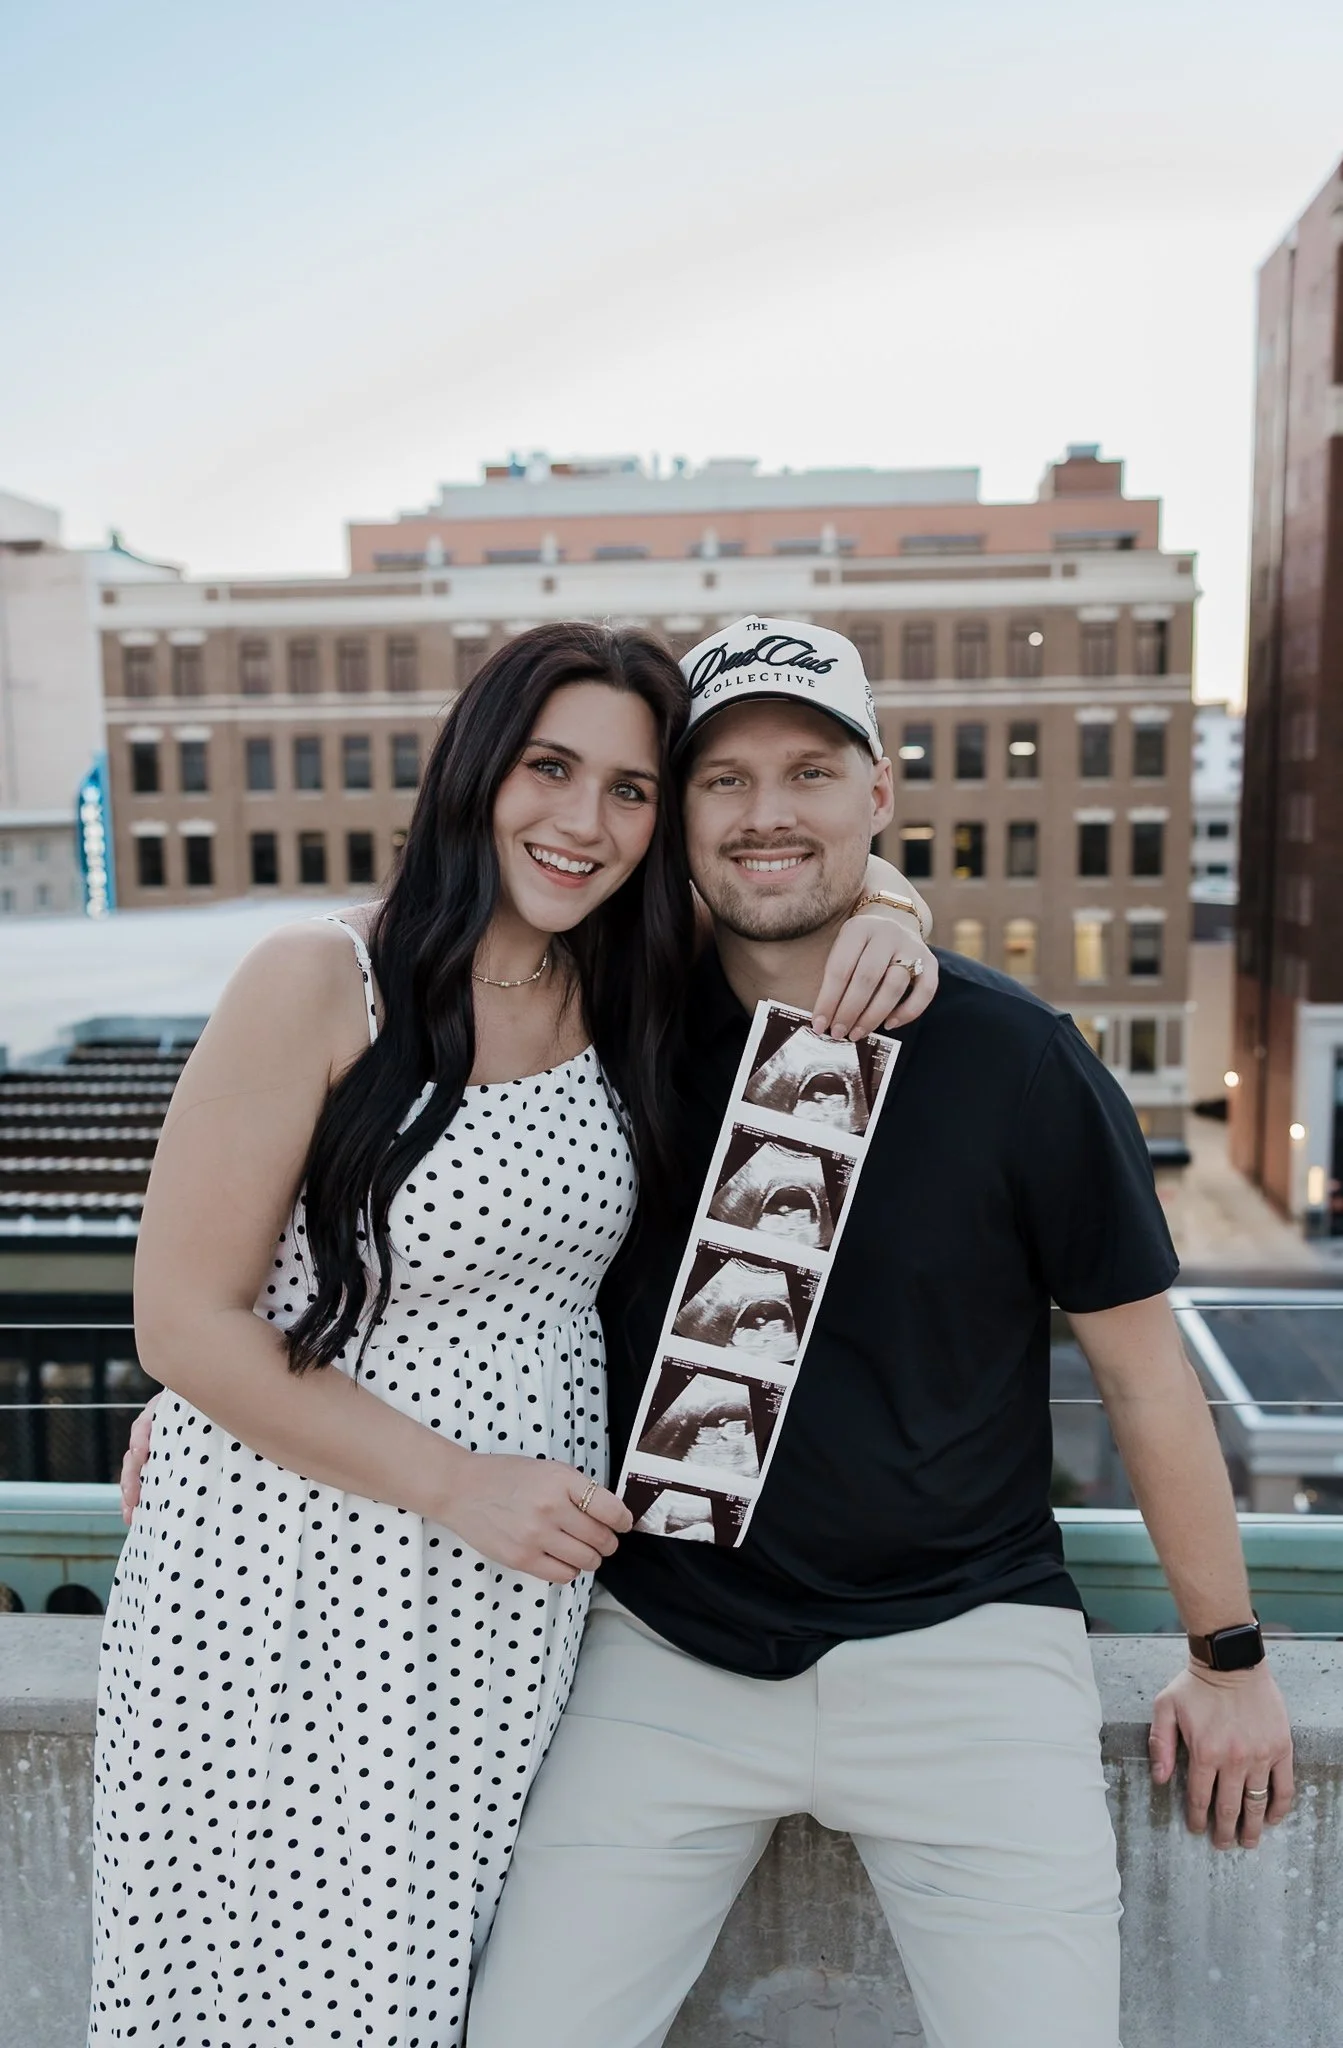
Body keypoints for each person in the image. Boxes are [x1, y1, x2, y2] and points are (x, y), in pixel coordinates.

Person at [96, 618, 936, 2048]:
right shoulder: (317, 977)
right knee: (276, 1999)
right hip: (291, 1573)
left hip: (503, 1605)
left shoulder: (628, 995)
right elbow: (182, 1318)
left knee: (432, 1994)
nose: (580, 821)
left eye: (626, 790)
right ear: (477, 768)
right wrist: (452, 1480)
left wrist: (894, 915)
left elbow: (810, 897)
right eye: (549, 767)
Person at [457, 619, 1296, 2048]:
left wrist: (1228, 1655)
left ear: (878, 793)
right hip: (666, 1654)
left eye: (807, 772)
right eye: (720, 782)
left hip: (965, 1657)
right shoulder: (605, 1027)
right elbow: (446, 1226)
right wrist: (238, 1389)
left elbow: (1144, 1373)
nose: (766, 813)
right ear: (677, 820)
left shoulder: (1012, 1054)